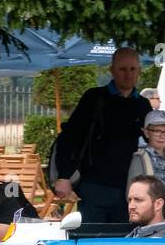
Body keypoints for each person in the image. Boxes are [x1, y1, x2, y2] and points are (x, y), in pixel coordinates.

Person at [53, 47, 152, 223]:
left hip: (129, 190)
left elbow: (154, 142)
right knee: (92, 240)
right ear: (112, 70)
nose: (128, 74)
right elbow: (70, 137)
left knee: (124, 243)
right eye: (122, 69)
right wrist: (64, 176)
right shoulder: (94, 98)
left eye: (132, 69)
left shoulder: (143, 105)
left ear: (139, 71)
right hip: (94, 187)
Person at [126, 110, 165, 217]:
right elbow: (132, 193)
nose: (162, 136)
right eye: (157, 131)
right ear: (146, 132)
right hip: (147, 217)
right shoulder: (140, 158)